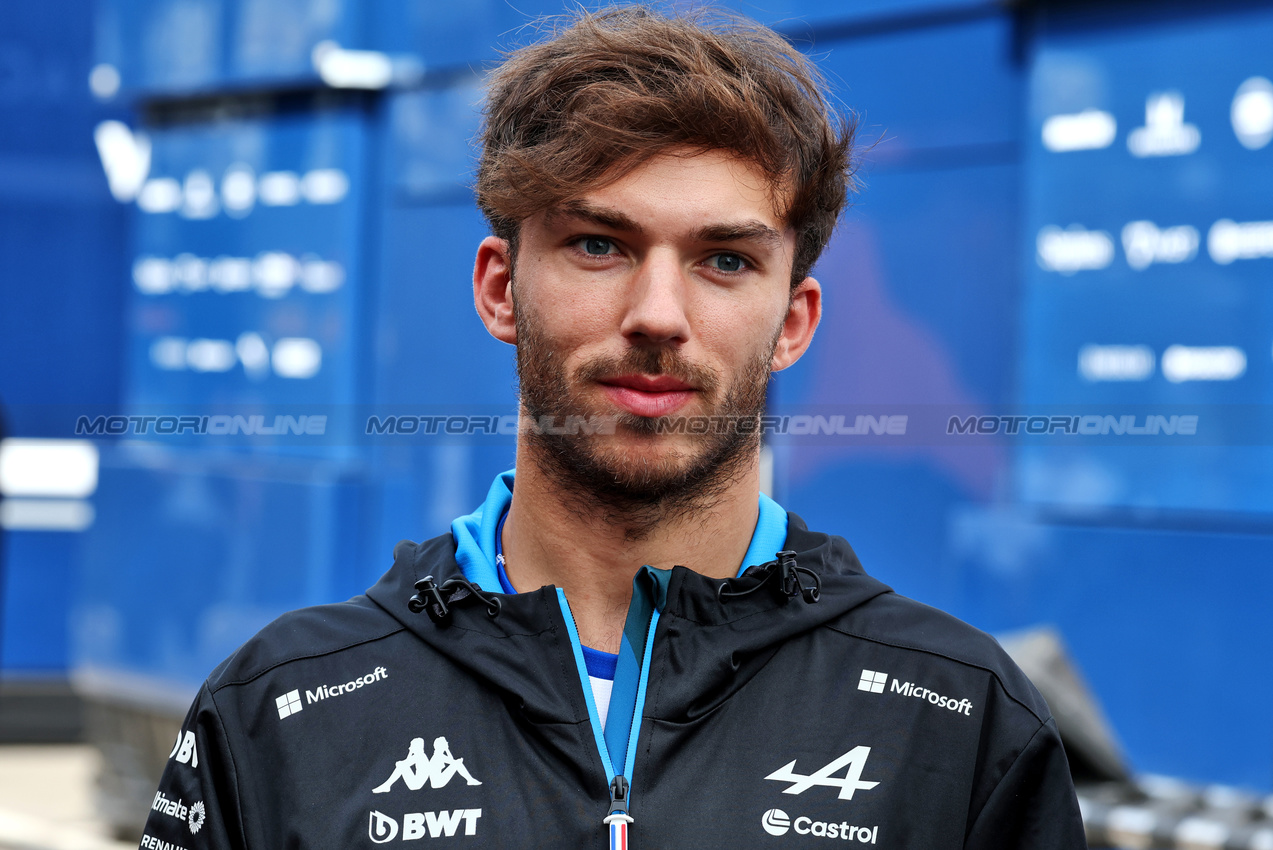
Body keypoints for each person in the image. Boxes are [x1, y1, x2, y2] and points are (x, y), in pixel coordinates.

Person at [140, 7, 1086, 849]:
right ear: (500, 288)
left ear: (792, 323)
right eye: (600, 245)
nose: (658, 314)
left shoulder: (957, 718)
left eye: (723, 260)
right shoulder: (282, 709)